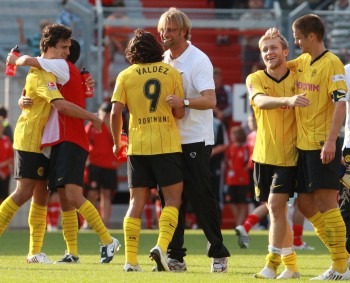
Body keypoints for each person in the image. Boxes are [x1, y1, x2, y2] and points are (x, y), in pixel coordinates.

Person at [3, 24, 102, 264]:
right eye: (63, 47)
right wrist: (92, 117)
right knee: (24, 192)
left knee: (41, 196)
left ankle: (35, 252)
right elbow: (59, 104)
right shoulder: (45, 71)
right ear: (49, 47)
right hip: (30, 140)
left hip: (43, 141)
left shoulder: (47, 70)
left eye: (69, 48)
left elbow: (31, 94)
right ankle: (100, 241)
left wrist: (21, 99)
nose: (67, 52)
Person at [18, 37, 120, 264]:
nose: (62, 52)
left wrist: (16, 59)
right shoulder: (68, 73)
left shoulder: (62, 66)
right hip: (62, 141)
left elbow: (31, 61)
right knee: (65, 197)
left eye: (65, 48)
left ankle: (107, 240)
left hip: (71, 140)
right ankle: (72, 253)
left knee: (72, 195)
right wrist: (23, 99)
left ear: (64, 53)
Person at [156, 7, 230, 273]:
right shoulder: (161, 60)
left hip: (196, 138)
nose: (165, 34)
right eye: (163, 29)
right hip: (167, 139)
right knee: (171, 198)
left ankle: (218, 253)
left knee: (201, 195)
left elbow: (210, 99)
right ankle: (176, 256)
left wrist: (184, 101)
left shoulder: (198, 59)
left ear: (185, 31)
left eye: (171, 29)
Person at [110, 28, 185, 272]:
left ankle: (130, 261)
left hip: (138, 145)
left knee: (136, 202)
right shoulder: (171, 73)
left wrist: (116, 141)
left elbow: (115, 113)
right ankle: (162, 247)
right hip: (166, 144)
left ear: (132, 52)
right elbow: (180, 112)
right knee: (173, 199)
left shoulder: (125, 75)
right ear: (156, 48)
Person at [288, 14, 350, 280]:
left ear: (311, 36)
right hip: (302, 145)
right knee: (304, 204)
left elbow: (340, 103)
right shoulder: (301, 62)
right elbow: (277, 68)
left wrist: (330, 141)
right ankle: (343, 257)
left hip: (323, 143)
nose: (295, 41)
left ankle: (340, 266)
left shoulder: (333, 63)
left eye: (298, 37)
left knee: (327, 203)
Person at [246, 28, 310, 279]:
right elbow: (260, 101)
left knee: (275, 205)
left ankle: (271, 264)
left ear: (285, 51)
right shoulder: (255, 78)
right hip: (262, 155)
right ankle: (291, 267)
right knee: (277, 211)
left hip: (289, 155)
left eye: (274, 48)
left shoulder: (298, 75)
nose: (269, 53)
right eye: (264, 50)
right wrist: (289, 100)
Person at [85, 101, 120, 228]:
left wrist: (109, 126)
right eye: (103, 112)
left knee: (106, 194)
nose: (105, 115)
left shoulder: (115, 125)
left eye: (107, 113)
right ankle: (87, 222)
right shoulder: (92, 125)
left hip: (109, 165)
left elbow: (120, 143)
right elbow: (84, 140)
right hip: (94, 164)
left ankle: (104, 222)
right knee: (92, 194)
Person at [225, 126, 250, 227]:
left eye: (233, 134)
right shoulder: (230, 147)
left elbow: (247, 162)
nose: (231, 136)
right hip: (231, 180)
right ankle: (238, 222)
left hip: (243, 180)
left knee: (243, 202)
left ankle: (239, 223)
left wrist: (243, 171)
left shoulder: (245, 148)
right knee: (230, 201)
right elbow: (228, 159)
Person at [210, 116, 228, 223]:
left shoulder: (217, 123)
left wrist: (210, 152)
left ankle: (217, 220)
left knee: (216, 192)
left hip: (215, 164)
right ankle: (200, 222)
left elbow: (225, 144)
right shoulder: (194, 120)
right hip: (199, 162)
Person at [0, 117, 13, 204]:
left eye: (1, 126)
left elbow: (11, 158)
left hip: (6, 175)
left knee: (4, 199)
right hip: (1, 173)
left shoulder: (6, 140)